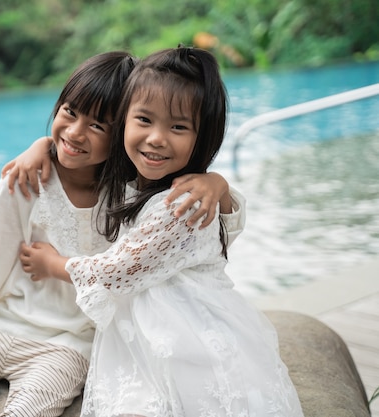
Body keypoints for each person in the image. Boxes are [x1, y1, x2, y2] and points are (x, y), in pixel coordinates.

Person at [0, 51, 242, 417]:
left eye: (99, 125)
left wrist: (217, 181)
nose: (76, 132)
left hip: (72, 346)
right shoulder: (26, 178)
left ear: (122, 131)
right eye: (69, 112)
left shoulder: (135, 191)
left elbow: (202, 234)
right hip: (2, 327)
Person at [19, 47, 304, 417]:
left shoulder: (181, 204)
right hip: (146, 329)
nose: (156, 138)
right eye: (144, 120)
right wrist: (41, 145)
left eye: (178, 127)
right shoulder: (133, 181)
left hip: (187, 337)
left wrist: (52, 263)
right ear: (123, 121)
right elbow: (78, 146)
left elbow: (114, 271)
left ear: (203, 137)